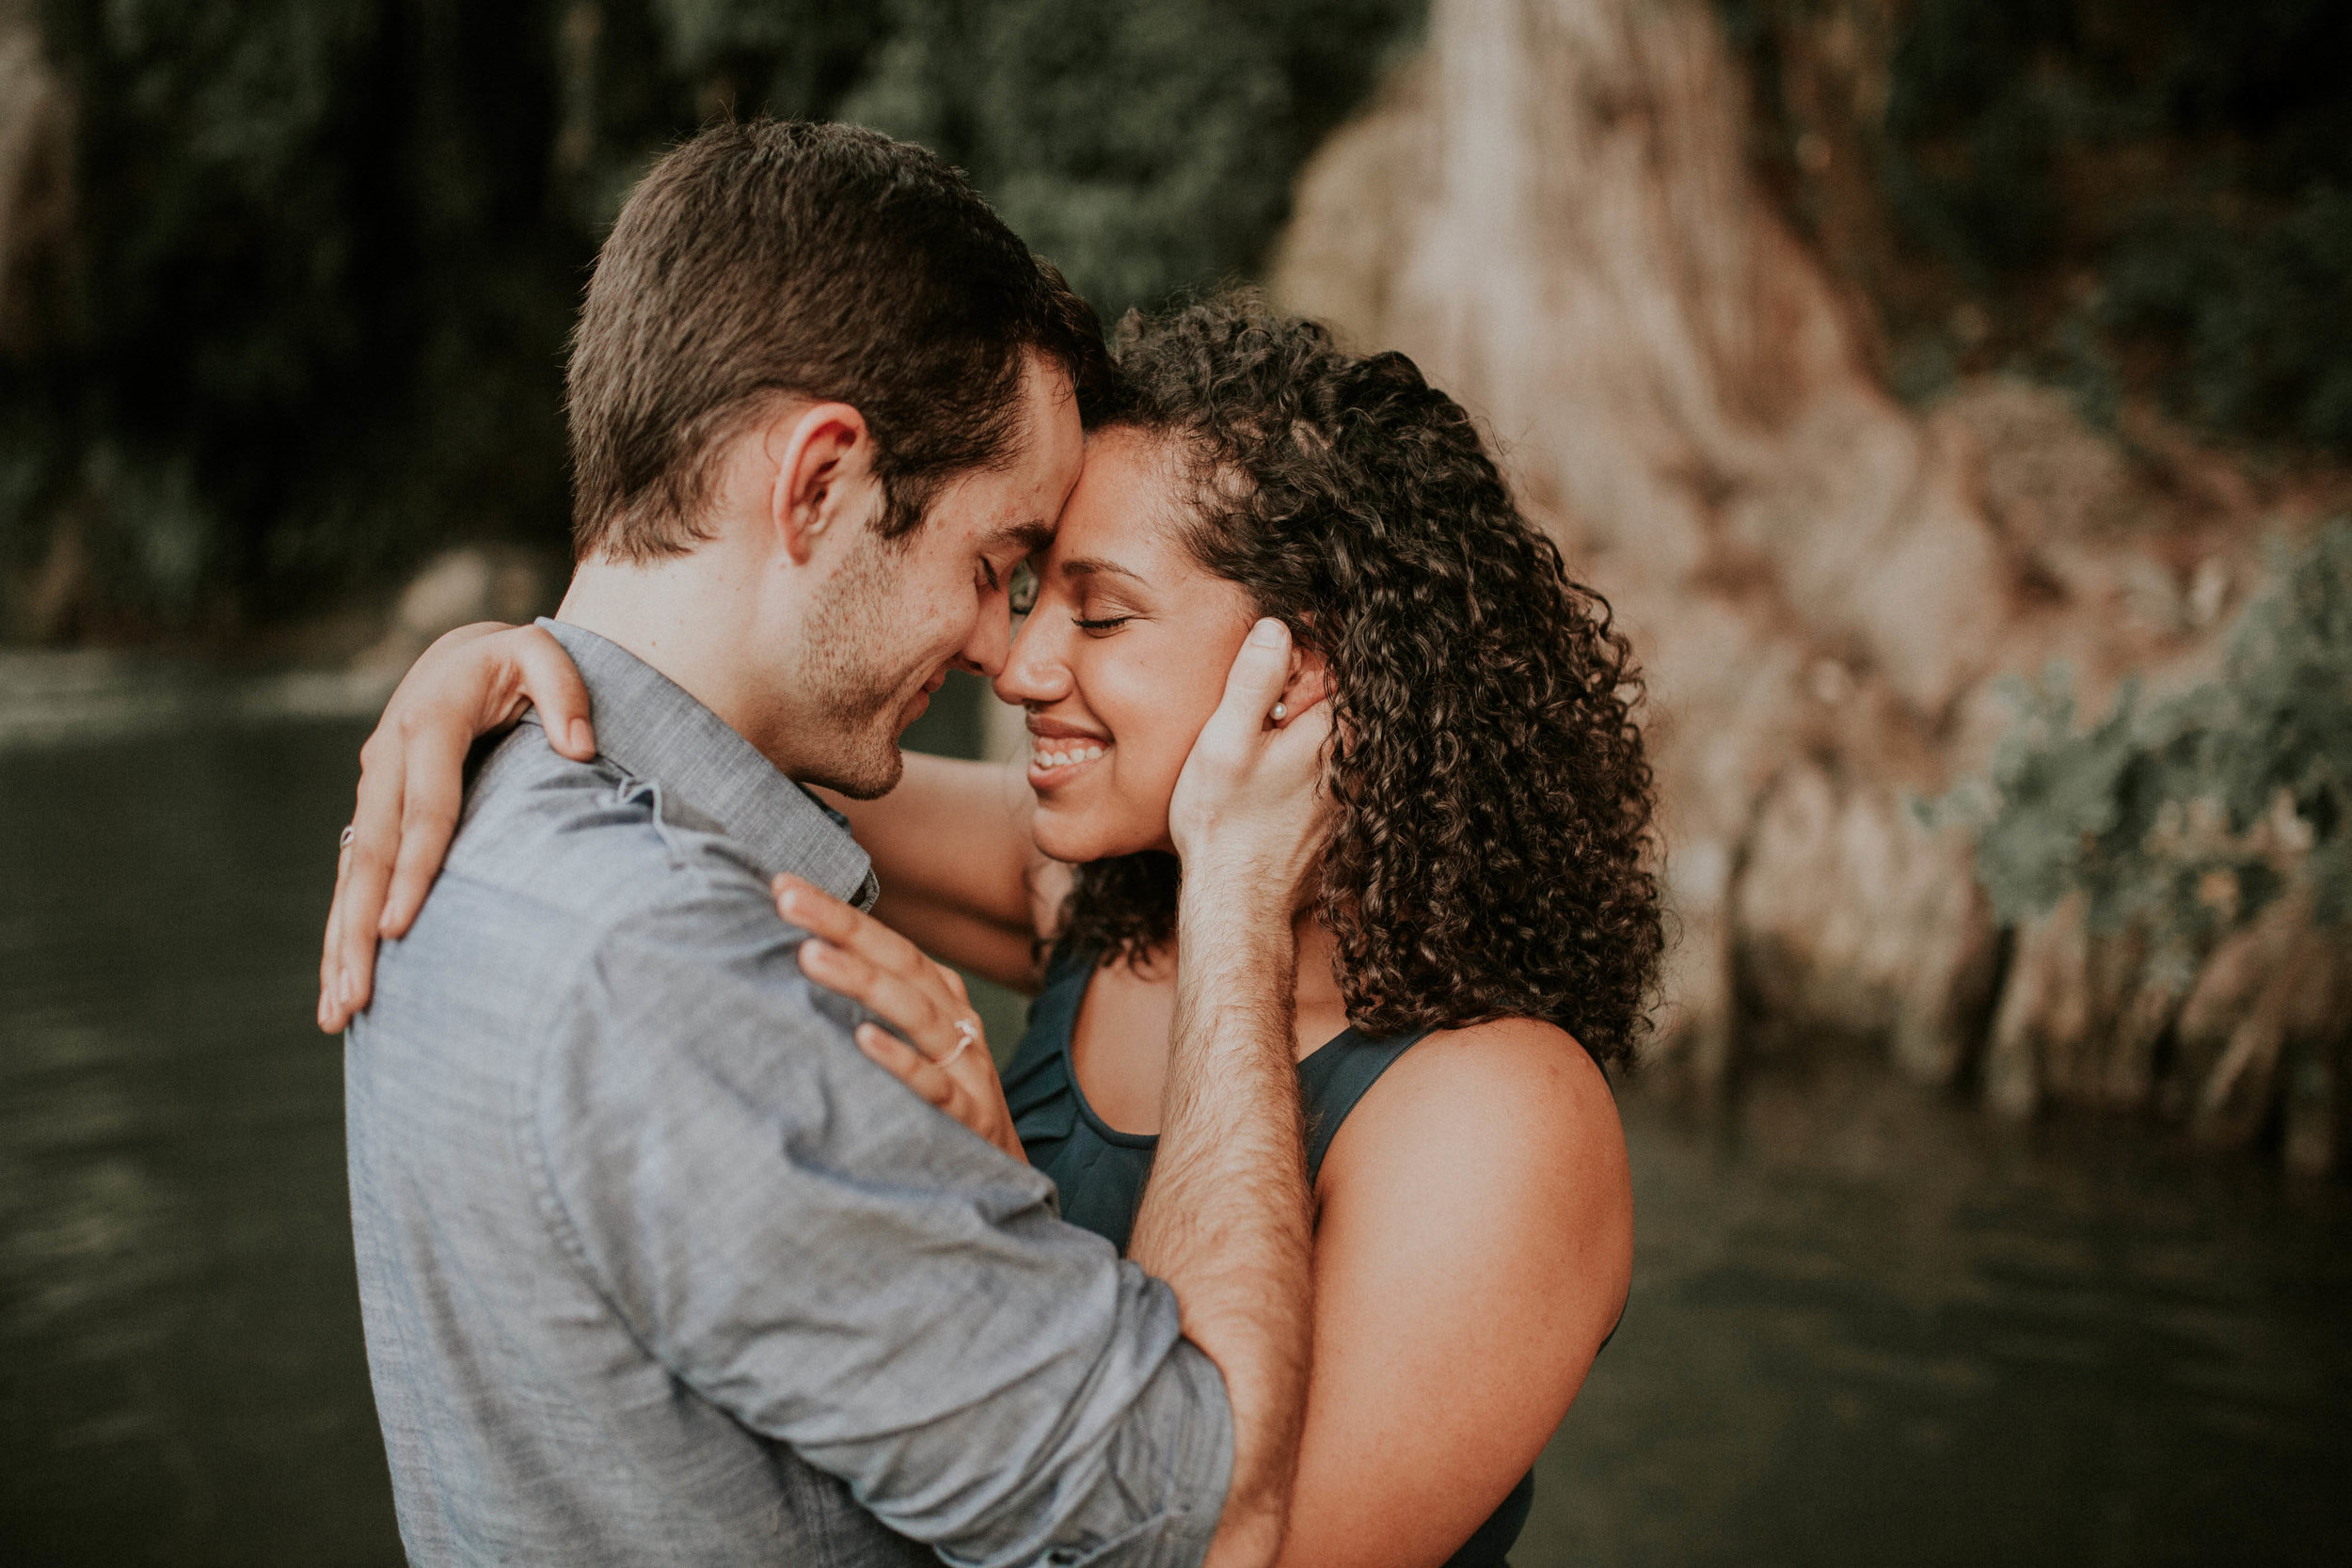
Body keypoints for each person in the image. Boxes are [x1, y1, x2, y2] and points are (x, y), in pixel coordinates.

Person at [328, 294, 1659, 1567]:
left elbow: (1209, 1552)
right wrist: (502, 667)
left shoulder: (1505, 1117)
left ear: (1298, 674)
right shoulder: (1089, 902)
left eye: (1104, 610)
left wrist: (1003, 1183)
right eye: (1028, 590)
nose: (1017, 667)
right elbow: (715, 736)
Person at [333, 120, 1334, 1568]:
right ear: (818, 485)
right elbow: (1211, 1504)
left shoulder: (473, 807)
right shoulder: (682, 974)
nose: (1007, 651)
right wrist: (1242, 898)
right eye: (995, 569)